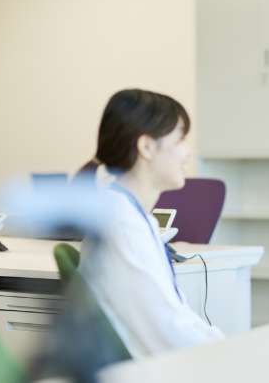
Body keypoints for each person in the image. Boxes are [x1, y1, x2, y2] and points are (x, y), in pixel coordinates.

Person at [77, 89, 223, 357]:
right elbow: (167, 332)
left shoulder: (131, 215)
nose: (188, 152)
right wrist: (230, 351)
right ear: (146, 147)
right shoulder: (122, 224)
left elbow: (174, 314)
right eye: (180, 139)